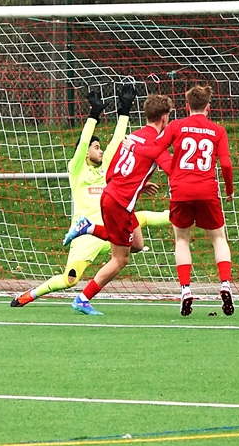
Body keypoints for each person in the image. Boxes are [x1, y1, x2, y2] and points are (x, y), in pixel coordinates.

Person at [10, 84, 170, 312]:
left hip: (110, 221)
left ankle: (181, 216)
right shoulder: (78, 170)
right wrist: (93, 115)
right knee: (70, 279)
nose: (100, 150)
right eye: (96, 147)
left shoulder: (106, 167)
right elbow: (84, 142)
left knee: (138, 238)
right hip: (86, 240)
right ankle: (29, 295)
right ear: (86, 152)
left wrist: (124, 110)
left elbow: (118, 140)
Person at [64, 94, 179, 315]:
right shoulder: (157, 143)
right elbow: (171, 169)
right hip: (120, 203)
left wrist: (137, 185)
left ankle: (87, 227)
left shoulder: (133, 137)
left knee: (136, 244)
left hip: (113, 195)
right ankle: (83, 299)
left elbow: (114, 167)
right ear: (165, 118)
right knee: (120, 259)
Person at [167, 84, 234, 317]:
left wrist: (170, 169)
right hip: (207, 190)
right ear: (208, 107)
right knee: (218, 238)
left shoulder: (176, 126)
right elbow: (226, 164)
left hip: (181, 191)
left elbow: (157, 148)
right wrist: (229, 189)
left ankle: (186, 289)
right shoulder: (217, 130)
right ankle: (225, 284)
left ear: (187, 106)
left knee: (182, 239)